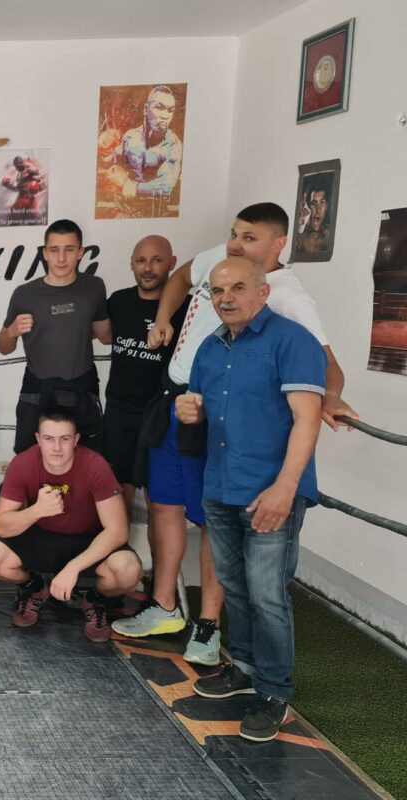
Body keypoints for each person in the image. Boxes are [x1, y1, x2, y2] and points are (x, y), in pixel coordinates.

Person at [130, 203, 359, 666]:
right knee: (167, 505)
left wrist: (329, 397)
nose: (235, 245)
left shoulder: (289, 301)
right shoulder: (220, 262)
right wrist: (164, 319)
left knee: (224, 535)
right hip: (184, 402)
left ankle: (209, 627)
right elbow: (180, 279)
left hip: (232, 430)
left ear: (278, 246)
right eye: (235, 234)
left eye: (249, 238)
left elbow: (327, 365)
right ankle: (166, 607)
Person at [175, 256, 326, 743]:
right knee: (235, 587)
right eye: (218, 290)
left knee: (267, 595)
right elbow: (200, 414)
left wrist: (285, 488)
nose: (226, 298)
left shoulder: (292, 341)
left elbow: (307, 419)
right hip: (221, 486)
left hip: (270, 492)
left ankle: (274, 692)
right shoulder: (210, 348)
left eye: (238, 287)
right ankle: (243, 667)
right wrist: (189, 412)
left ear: (263, 291)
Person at [0, 408, 142, 642]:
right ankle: (33, 587)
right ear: (38, 439)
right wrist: (37, 510)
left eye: (64, 439)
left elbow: (117, 531)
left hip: (88, 541)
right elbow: (2, 526)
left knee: (127, 570)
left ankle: (96, 600)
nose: (56, 447)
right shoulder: (23, 463)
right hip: (40, 539)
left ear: (75, 440)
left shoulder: (95, 465)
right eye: (49, 439)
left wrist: (73, 568)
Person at [0, 219, 110, 454]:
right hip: (38, 389)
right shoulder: (24, 294)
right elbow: (3, 347)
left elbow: (105, 336)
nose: (61, 258)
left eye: (69, 249)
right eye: (54, 250)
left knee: (86, 456)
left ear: (81, 252)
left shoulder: (94, 287)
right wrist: (12, 331)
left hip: (81, 387)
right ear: (45, 253)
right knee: (30, 456)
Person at [102, 235, 186, 514]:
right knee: (116, 491)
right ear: (131, 264)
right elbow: (94, 333)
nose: (148, 268)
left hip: (161, 414)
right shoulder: (118, 301)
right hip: (119, 413)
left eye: (157, 260)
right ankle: (118, 545)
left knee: (160, 499)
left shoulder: (186, 308)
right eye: (141, 261)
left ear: (172, 263)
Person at [103, 85, 183, 217]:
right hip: (125, 212)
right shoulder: (130, 137)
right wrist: (104, 148)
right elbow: (113, 161)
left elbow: (166, 185)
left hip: (153, 215)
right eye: (159, 107)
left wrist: (133, 187)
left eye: (170, 110)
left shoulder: (173, 145)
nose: (165, 115)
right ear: (146, 109)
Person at [296, 185, 332, 255]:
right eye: (314, 203)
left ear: (326, 207)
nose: (318, 209)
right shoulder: (299, 236)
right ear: (308, 207)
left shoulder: (330, 236)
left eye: (322, 203)